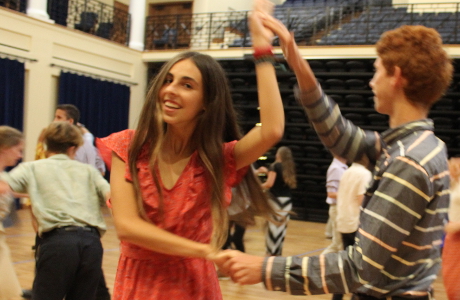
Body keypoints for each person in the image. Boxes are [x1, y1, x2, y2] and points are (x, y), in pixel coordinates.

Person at [220, 17, 453, 299]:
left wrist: (265, 268)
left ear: (397, 77)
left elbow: (358, 268)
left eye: (377, 71)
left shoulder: (408, 161)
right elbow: (342, 136)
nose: (371, 81)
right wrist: (297, 62)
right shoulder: (422, 145)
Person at [97, 1, 284, 299]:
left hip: (195, 286)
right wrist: (206, 251)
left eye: (187, 85)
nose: (170, 90)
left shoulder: (217, 159)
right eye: (168, 80)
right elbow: (127, 227)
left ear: (207, 102)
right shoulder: (129, 146)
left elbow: (272, 129)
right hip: (140, 285)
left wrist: (262, 50)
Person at [1, 122, 111, 300]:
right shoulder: (89, 171)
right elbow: (111, 196)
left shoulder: (32, 168)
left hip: (58, 243)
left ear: (46, 145)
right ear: (72, 149)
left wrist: (36, 190)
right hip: (92, 244)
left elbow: (4, 186)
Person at [333, 162, 372, 300]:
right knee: (361, 268)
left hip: (344, 222)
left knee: (346, 266)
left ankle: (337, 297)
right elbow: (363, 200)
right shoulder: (365, 174)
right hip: (356, 225)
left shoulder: (347, 171)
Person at [256, 146, 297, 256]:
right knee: (281, 228)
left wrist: (257, 187)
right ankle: (277, 253)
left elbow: (269, 184)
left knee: (272, 227)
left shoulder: (274, 166)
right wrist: (267, 172)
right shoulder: (288, 167)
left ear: (278, 154)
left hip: (275, 201)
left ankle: (270, 253)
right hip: (287, 201)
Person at [0, 126, 25, 300]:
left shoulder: (4, 177)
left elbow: (10, 189)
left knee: (10, 293)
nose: (20, 155)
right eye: (18, 150)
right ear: (4, 148)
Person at [322, 155, 347, 255]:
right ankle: (318, 264)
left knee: (338, 244)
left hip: (341, 208)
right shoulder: (335, 168)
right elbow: (331, 193)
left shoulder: (342, 167)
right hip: (336, 209)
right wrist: (348, 194)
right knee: (338, 244)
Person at [442, 158, 460, 299]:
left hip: (457, 234)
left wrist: (457, 226)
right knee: (450, 281)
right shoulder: (455, 184)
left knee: (455, 285)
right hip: (452, 237)